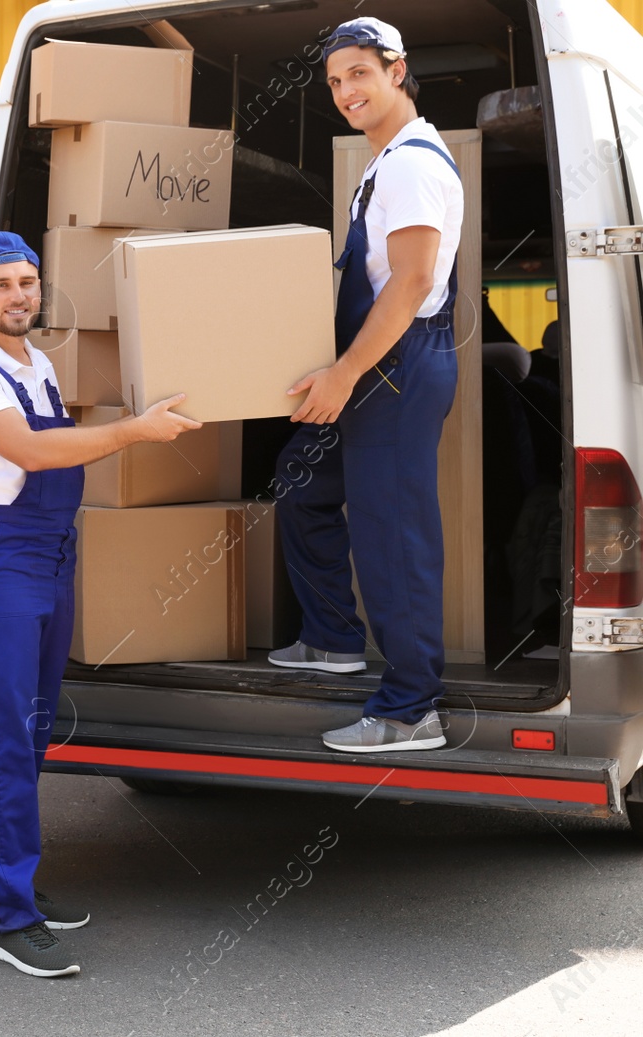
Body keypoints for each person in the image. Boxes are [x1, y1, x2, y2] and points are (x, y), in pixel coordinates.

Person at [0, 231, 199, 977]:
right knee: (7, 735)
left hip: (50, 553)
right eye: (3, 284)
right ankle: (10, 922)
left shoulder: (38, 364)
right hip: (0, 558)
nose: (20, 295)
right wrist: (135, 430)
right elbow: (35, 451)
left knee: (36, 723)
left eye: (29, 282)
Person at [269, 17, 466, 753]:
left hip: (394, 365)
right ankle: (332, 635)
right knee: (304, 480)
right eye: (334, 81)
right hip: (374, 363)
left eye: (358, 73)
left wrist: (346, 374)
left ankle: (412, 707)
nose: (345, 91)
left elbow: (413, 279)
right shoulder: (382, 164)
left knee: (393, 533)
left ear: (396, 70)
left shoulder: (413, 163)